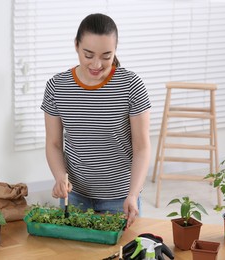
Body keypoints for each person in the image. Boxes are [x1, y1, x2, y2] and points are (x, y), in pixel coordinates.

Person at [40, 13, 151, 228]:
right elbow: (53, 143)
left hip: (121, 198)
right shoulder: (57, 87)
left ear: (116, 50)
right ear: (76, 46)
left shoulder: (131, 86)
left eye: (106, 56)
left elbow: (142, 148)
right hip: (76, 195)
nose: (97, 64)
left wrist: (133, 194)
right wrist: (59, 177)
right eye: (88, 55)